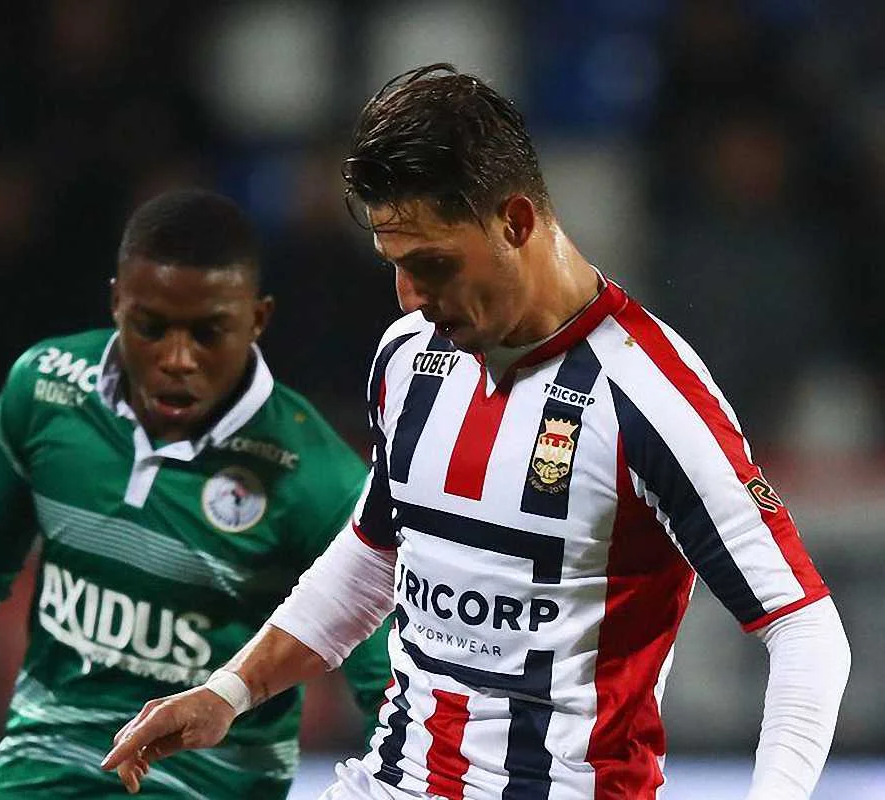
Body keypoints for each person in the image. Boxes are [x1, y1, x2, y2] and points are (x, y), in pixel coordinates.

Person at [101, 65, 852, 800]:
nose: (409, 296)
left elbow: (807, 632)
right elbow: (379, 555)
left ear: (515, 222)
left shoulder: (649, 396)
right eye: (394, 264)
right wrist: (230, 691)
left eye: (431, 263)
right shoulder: (409, 357)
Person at [0, 188, 392, 799]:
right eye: (151, 327)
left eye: (209, 333)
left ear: (257, 320)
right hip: (38, 770)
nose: (177, 359)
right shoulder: (46, 391)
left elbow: (389, 687)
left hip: (205, 786)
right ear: (116, 302)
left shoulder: (316, 476)